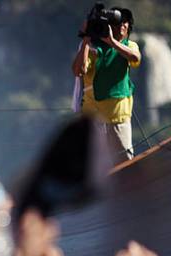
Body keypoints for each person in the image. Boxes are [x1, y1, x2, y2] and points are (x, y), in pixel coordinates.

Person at [72, 7, 141, 161]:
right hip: (93, 119)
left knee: (125, 164)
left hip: (119, 118)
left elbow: (135, 58)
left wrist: (112, 42)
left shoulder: (129, 46)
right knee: (93, 167)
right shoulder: (93, 48)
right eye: (117, 23)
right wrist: (85, 40)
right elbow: (79, 70)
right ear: (108, 26)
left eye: (125, 23)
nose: (122, 26)